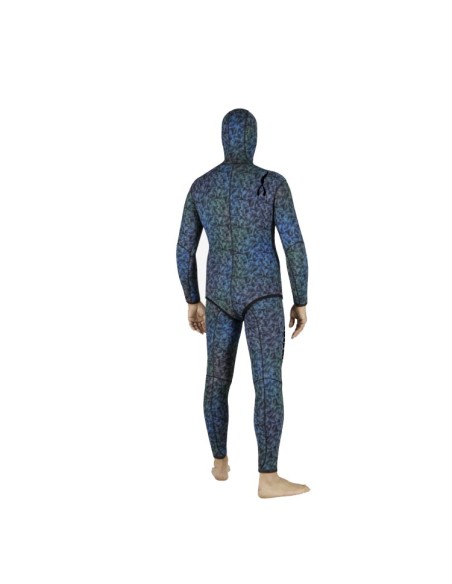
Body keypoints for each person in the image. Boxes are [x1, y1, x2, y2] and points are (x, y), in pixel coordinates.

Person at [176, 108, 310, 498]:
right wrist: (301, 298)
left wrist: (192, 299)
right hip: (263, 294)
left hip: (217, 295)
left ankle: (220, 463)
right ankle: (268, 478)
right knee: (267, 381)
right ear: (253, 138)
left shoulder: (202, 187)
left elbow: (184, 249)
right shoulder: (272, 183)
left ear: (224, 138)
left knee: (216, 379)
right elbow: (293, 245)